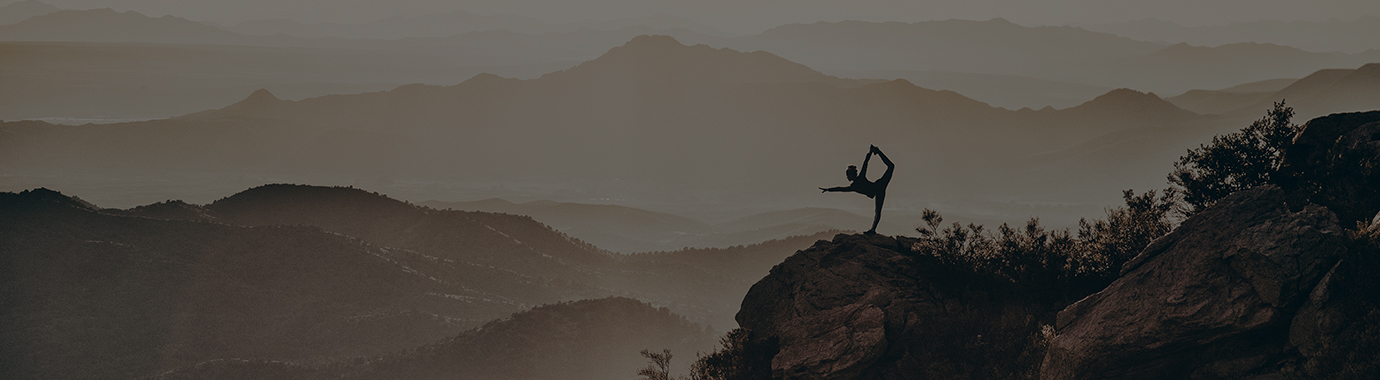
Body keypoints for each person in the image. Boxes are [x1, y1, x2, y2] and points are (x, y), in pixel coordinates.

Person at [820, 145, 894, 234]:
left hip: (879, 187)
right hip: (877, 189)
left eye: (847, 175)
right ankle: (873, 230)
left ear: (852, 175)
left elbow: (865, 163)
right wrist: (828, 189)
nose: (847, 177)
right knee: (877, 212)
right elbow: (841, 189)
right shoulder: (854, 186)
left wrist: (870, 153)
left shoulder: (858, 181)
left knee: (891, 166)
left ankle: (877, 151)